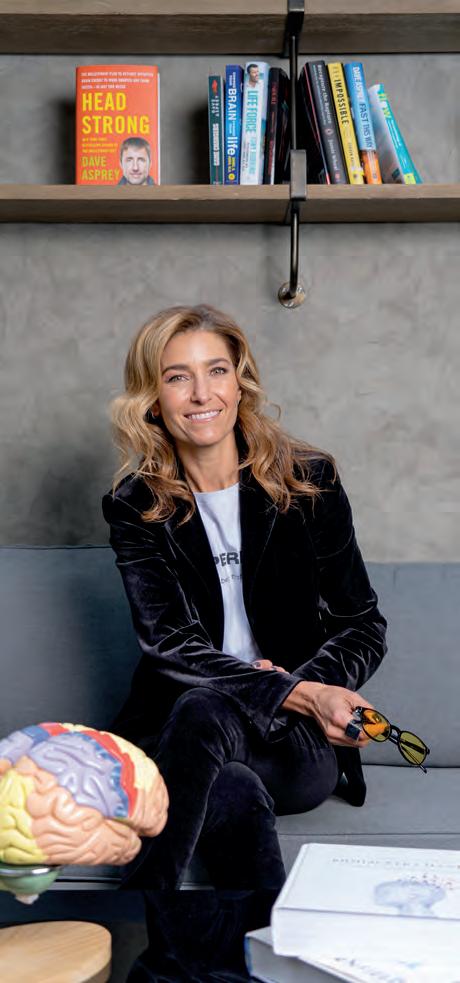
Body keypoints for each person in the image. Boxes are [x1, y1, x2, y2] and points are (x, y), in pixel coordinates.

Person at [102, 303, 387, 890]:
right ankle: (259, 937)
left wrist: (309, 693)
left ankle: (134, 910)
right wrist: (296, 691)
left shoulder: (309, 482)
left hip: (291, 741)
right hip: (178, 729)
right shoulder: (136, 505)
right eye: (177, 376)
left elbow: (362, 623)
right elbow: (170, 644)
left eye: (217, 370)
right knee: (224, 775)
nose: (201, 393)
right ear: (153, 399)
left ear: (240, 382)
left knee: (207, 717)